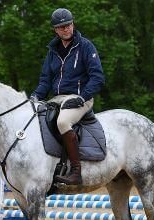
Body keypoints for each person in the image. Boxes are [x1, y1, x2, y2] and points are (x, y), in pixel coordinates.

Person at [30, 8, 105, 185]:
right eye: (62, 27)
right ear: (55, 30)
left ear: (73, 24)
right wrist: (34, 97)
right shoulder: (52, 52)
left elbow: (98, 77)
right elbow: (45, 80)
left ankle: (76, 172)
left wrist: (83, 96)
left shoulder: (86, 46)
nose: (66, 29)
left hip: (81, 98)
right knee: (35, 119)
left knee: (63, 122)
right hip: (57, 99)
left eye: (68, 25)